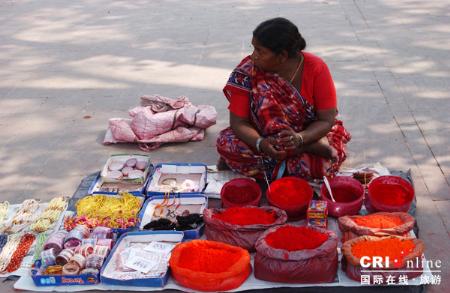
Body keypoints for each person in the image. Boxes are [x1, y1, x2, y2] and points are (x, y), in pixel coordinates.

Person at [216, 17, 351, 180]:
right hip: (263, 137)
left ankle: (286, 158)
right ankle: (304, 152)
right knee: (227, 144)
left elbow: (326, 120)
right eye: (254, 49)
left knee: (322, 164)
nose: (253, 56)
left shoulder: (315, 68)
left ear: (282, 56)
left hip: (306, 133)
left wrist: (300, 139)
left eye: (260, 51)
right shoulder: (246, 72)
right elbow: (239, 123)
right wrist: (261, 143)